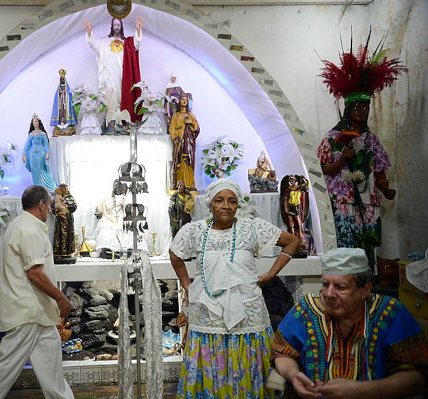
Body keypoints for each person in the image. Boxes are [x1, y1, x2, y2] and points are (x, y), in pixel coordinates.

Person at [169, 178, 300, 398]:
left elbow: (292, 242)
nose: (226, 206)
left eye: (231, 201)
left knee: (250, 367)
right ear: (210, 204)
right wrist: (187, 285)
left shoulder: (252, 227)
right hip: (207, 315)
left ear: (238, 204)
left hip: (248, 315)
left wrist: (270, 274)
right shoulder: (195, 230)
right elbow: (175, 253)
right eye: (219, 200)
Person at [272, 247, 427, 399]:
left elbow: (417, 377)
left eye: (340, 287)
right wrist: (293, 375)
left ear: (365, 290)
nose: (328, 294)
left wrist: (361, 391)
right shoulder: (307, 309)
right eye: (325, 284)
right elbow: (282, 351)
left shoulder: (390, 312)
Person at [0, 185, 74, 399]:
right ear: (41, 204)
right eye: (50, 203)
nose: (52, 209)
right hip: (28, 311)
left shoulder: (23, 224)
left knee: (50, 365)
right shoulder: (29, 229)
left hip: (39, 311)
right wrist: (61, 297)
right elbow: (34, 273)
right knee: (5, 366)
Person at [318, 39, 404, 270]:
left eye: (365, 108)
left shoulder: (370, 138)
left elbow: (380, 169)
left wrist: (385, 188)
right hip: (343, 201)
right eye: (357, 107)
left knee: (369, 243)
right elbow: (320, 170)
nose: (361, 111)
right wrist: (342, 160)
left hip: (368, 200)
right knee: (346, 244)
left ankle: (368, 282)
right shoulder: (331, 138)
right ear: (347, 109)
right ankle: (346, 281)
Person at [84, 17, 143, 124]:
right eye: (115, 25)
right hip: (109, 75)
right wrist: (89, 31)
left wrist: (138, 30)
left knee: (123, 96)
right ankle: (110, 122)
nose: (116, 27)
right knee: (109, 96)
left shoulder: (127, 42)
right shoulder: (104, 41)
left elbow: (136, 44)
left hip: (123, 75)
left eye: (118, 25)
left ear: (121, 27)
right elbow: (93, 43)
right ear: (112, 26)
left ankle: (123, 122)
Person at [168, 94, 199, 192]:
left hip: (189, 141)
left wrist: (191, 123)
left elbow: (197, 128)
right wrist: (175, 137)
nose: (184, 101)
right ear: (179, 101)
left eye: (186, 100)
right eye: (182, 99)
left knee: (188, 160)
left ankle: (189, 184)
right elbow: (171, 128)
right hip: (179, 141)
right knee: (179, 161)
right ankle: (178, 184)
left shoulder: (191, 115)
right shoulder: (176, 115)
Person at [22, 115, 58, 193]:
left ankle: (45, 188)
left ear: (39, 122)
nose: (34, 123)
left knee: (41, 169)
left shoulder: (42, 133)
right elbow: (27, 145)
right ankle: (36, 188)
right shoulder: (31, 134)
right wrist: (24, 154)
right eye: (33, 122)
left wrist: (47, 152)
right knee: (34, 170)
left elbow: (46, 144)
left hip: (41, 153)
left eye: (36, 121)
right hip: (32, 154)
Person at [53, 184, 77, 264]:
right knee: (59, 235)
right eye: (63, 189)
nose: (65, 190)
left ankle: (68, 252)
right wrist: (58, 210)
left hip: (68, 220)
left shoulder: (70, 197)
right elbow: (53, 206)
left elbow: (74, 206)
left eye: (66, 189)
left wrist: (65, 207)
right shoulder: (57, 196)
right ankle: (58, 253)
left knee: (68, 235)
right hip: (59, 220)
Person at [50, 68, 77, 136]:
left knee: (65, 112)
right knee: (61, 113)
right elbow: (57, 99)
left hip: (66, 104)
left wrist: (65, 94)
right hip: (60, 104)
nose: (62, 81)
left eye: (63, 79)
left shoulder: (68, 90)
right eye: (61, 79)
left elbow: (69, 97)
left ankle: (67, 124)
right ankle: (60, 123)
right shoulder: (58, 90)